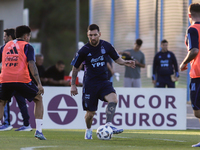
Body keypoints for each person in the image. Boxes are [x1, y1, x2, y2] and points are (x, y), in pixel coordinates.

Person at [70, 24, 135, 139]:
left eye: (95, 35)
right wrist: (73, 85)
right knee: (90, 114)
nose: (93, 38)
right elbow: (75, 68)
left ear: (99, 34)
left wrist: (126, 62)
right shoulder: (84, 50)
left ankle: (109, 125)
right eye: (90, 35)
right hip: (90, 84)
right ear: (87, 35)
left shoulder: (106, 46)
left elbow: (117, 59)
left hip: (103, 81)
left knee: (114, 99)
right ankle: (89, 129)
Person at [0, 25, 46, 140]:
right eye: (29, 36)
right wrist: (39, 83)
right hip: (21, 79)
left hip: (5, 79)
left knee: (1, 102)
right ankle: (39, 131)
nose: (29, 38)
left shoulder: (4, 47)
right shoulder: (27, 46)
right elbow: (32, 64)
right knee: (38, 99)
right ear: (26, 36)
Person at [0, 28, 32, 131]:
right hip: (21, 79)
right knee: (21, 101)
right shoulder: (23, 46)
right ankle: (27, 124)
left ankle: (6, 123)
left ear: (9, 37)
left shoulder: (5, 47)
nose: (4, 38)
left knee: (3, 101)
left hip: (9, 79)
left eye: (5, 36)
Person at [180, 3, 200, 147]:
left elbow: (194, 51)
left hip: (198, 75)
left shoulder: (192, 29)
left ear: (189, 15)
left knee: (197, 111)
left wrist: (183, 63)